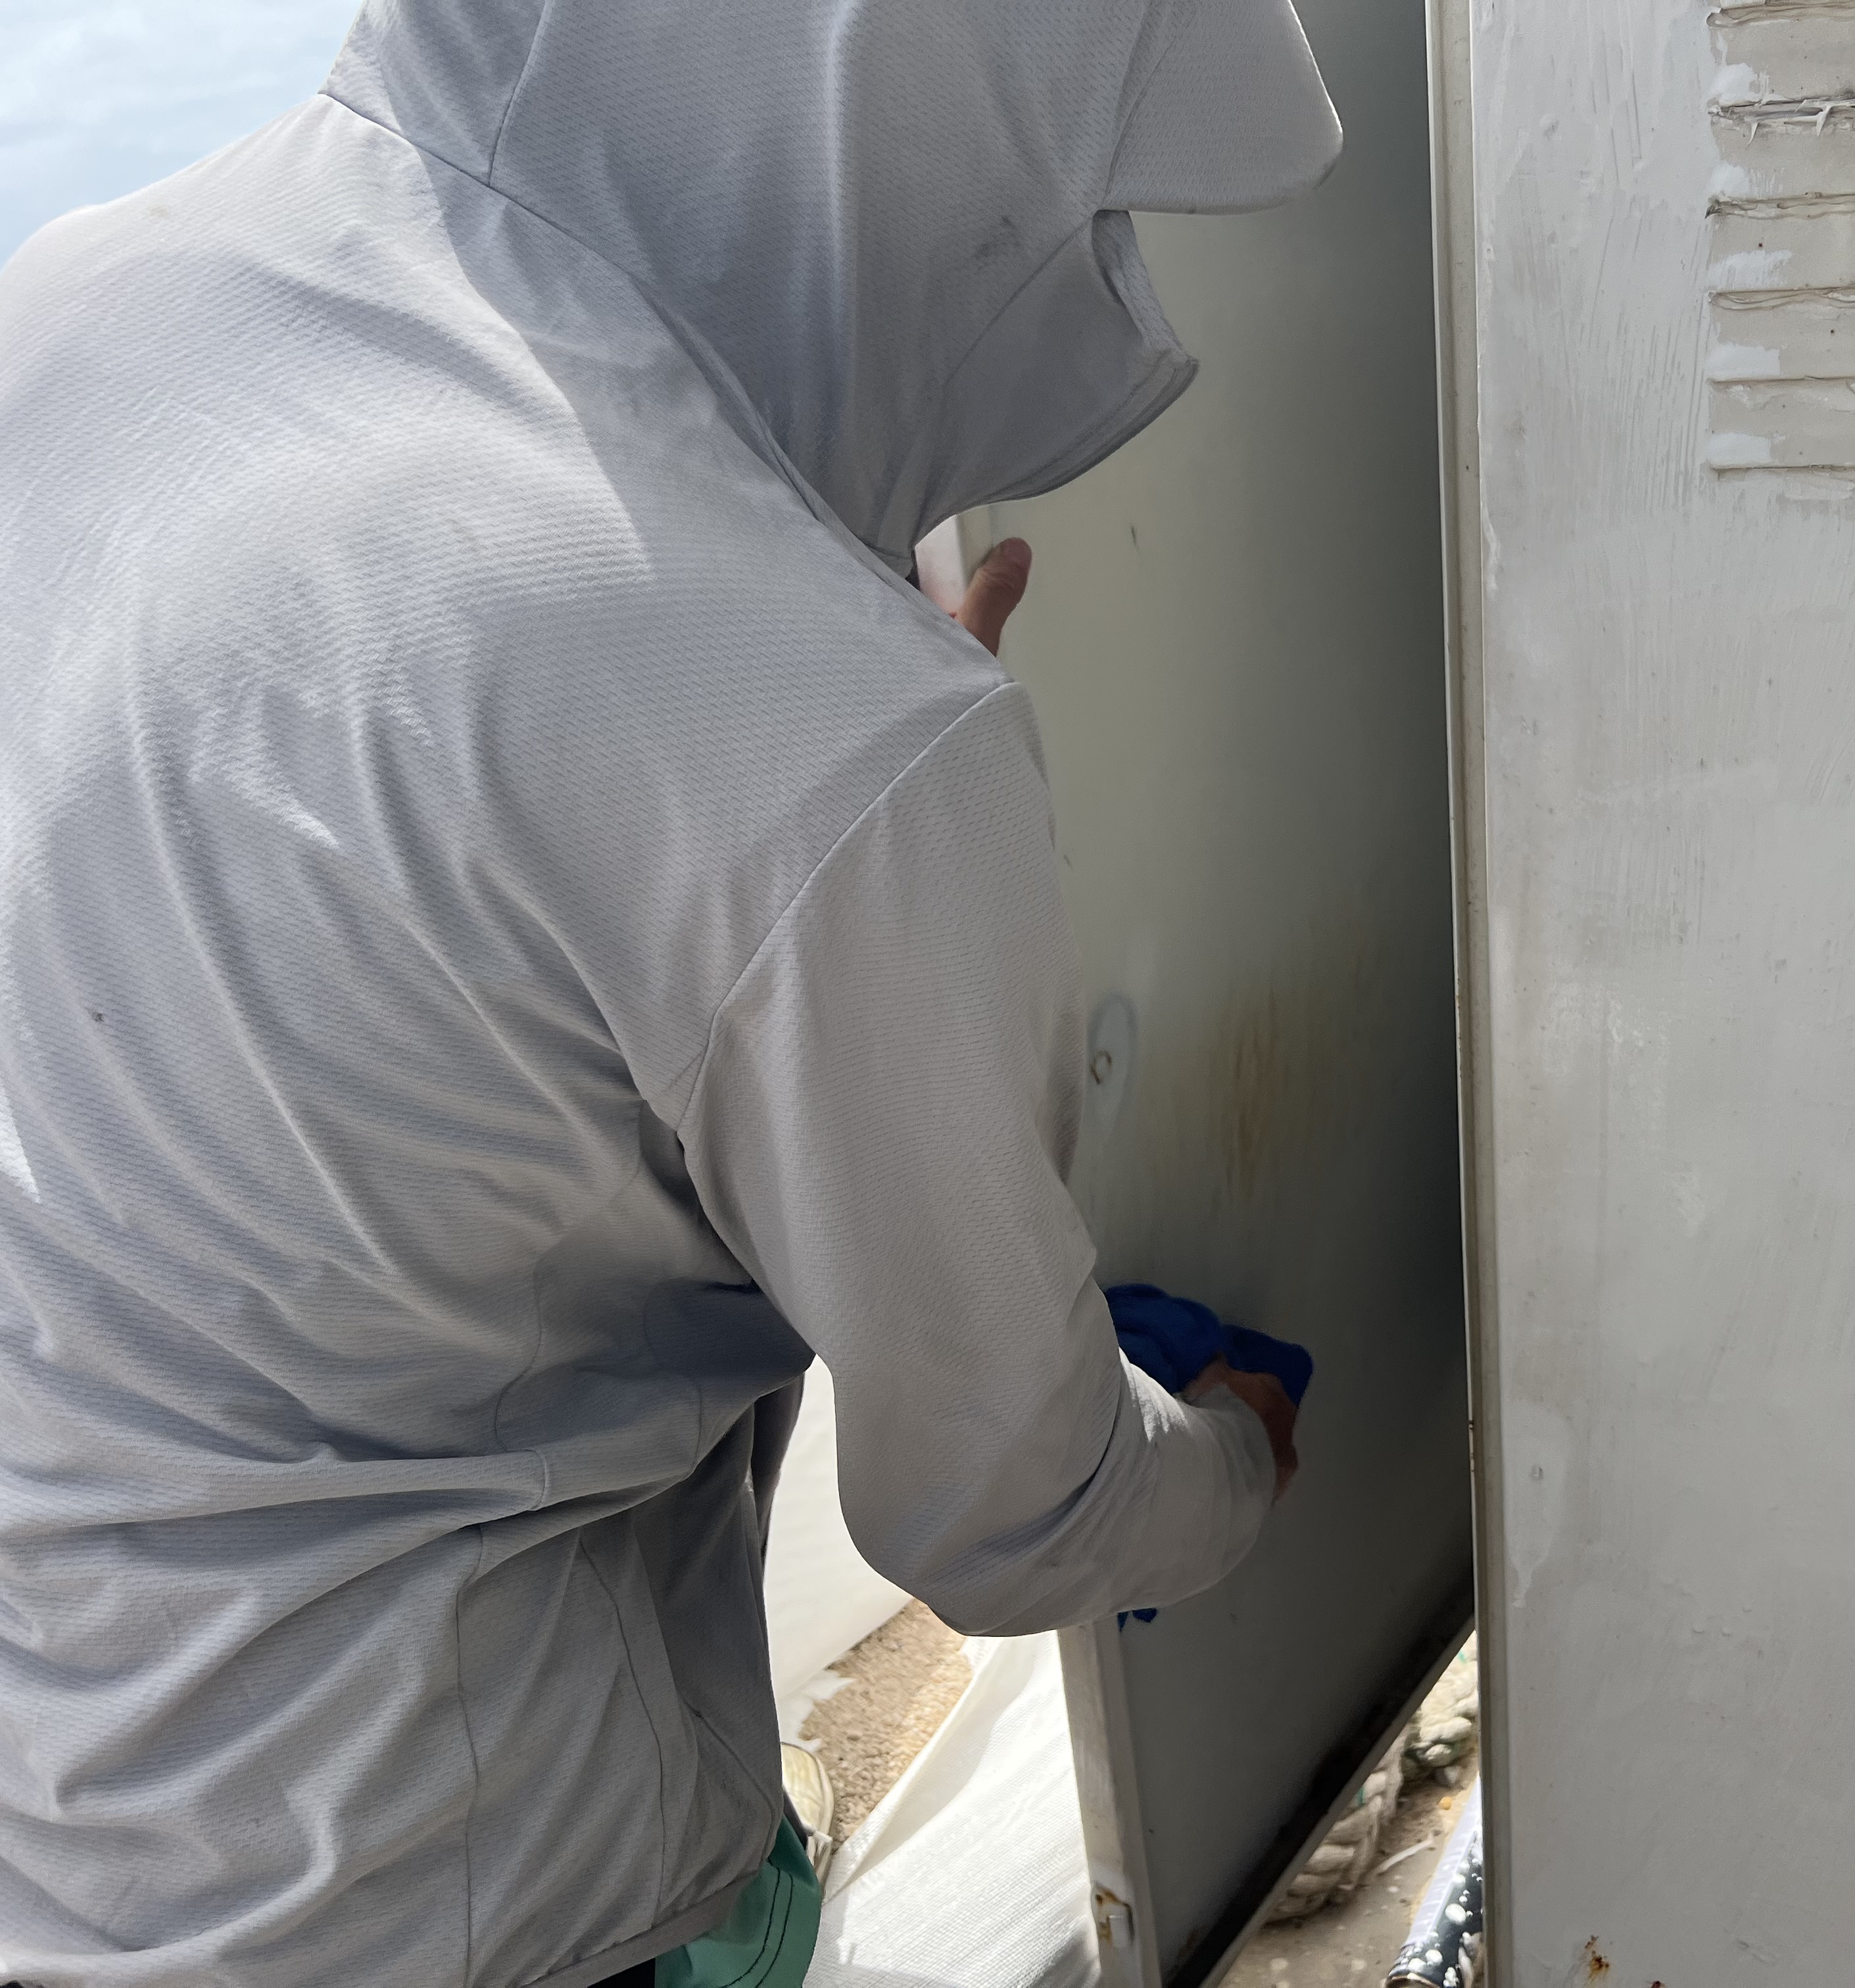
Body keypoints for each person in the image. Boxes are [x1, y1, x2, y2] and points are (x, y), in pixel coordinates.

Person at [0, 0, 1341, 1981]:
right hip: (425, 1900)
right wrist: (1228, 1454)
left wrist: (801, 790)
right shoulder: (819, 723)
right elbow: (1016, 1516)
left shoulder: (81, 301)